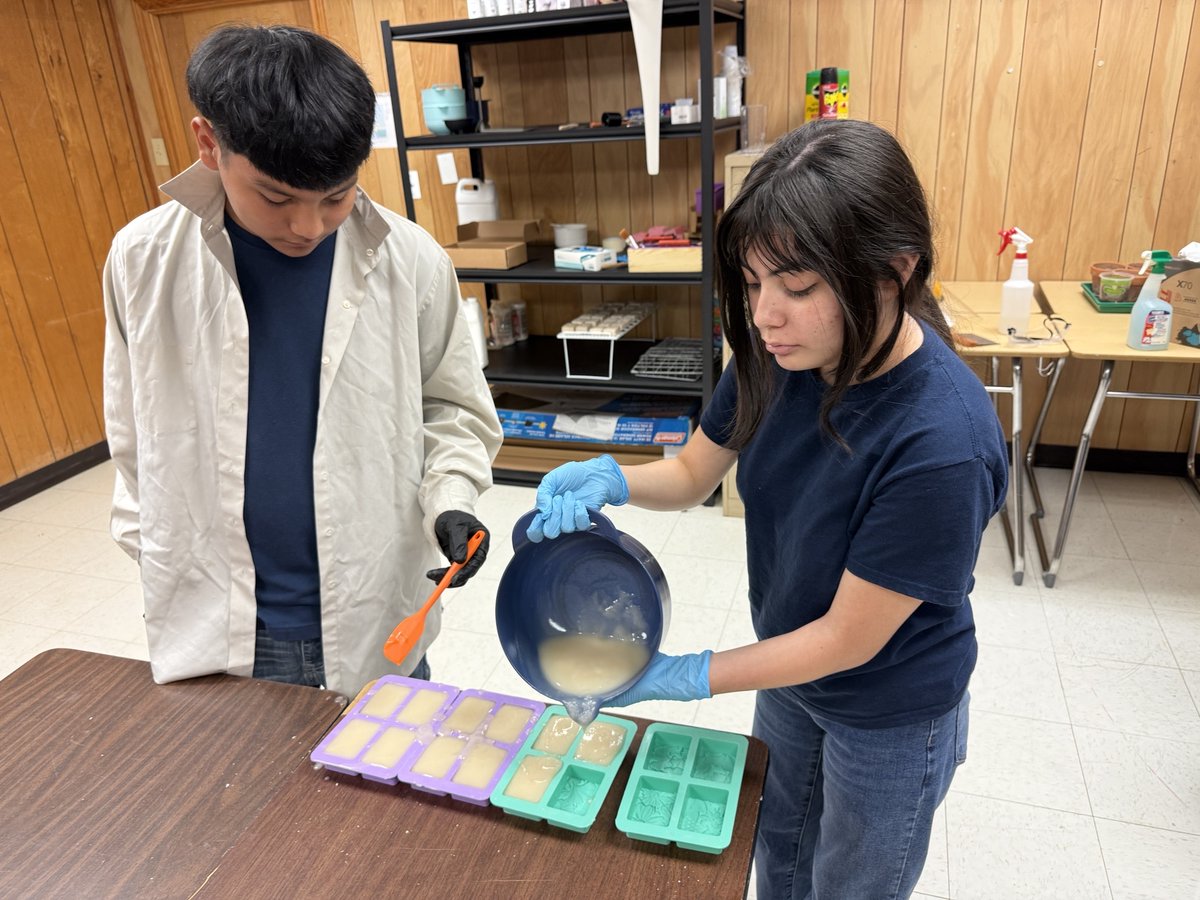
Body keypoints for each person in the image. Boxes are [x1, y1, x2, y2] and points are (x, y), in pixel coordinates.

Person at [526, 119, 1008, 899]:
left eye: (798, 287)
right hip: (791, 665)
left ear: (894, 272)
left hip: (889, 706)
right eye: (753, 285)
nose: (765, 315)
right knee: (777, 853)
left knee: (850, 883)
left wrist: (687, 676)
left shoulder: (941, 443)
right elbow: (694, 471)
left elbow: (846, 638)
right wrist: (612, 479)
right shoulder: (779, 356)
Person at [102, 25, 502, 698]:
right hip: (220, 626)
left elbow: (453, 409)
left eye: (336, 196)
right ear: (209, 143)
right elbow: (133, 432)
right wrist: (157, 549)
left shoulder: (412, 261)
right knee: (233, 769)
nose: (309, 227)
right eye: (277, 197)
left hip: (377, 613)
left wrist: (452, 500)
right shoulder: (142, 260)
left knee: (383, 765)